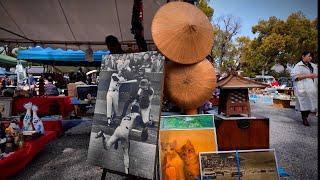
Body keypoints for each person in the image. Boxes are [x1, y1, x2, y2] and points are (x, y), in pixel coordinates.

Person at [291, 51, 318, 126]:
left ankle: (305, 116)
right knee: (305, 103)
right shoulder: (298, 66)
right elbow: (294, 77)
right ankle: (304, 118)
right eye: (309, 56)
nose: (310, 58)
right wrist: (308, 75)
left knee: (312, 103)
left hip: (312, 87)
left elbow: (315, 75)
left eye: (311, 57)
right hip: (303, 87)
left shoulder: (313, 66)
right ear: (303, 56)